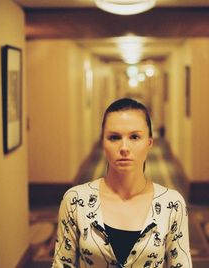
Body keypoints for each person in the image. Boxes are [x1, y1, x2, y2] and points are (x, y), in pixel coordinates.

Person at [52, 98, 192, 268]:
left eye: (134, 137)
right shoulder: (75, 201)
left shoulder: (171, 204)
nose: (124, 147)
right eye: (114, 137)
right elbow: (62, 264)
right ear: (103, 143)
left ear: (149, 143)